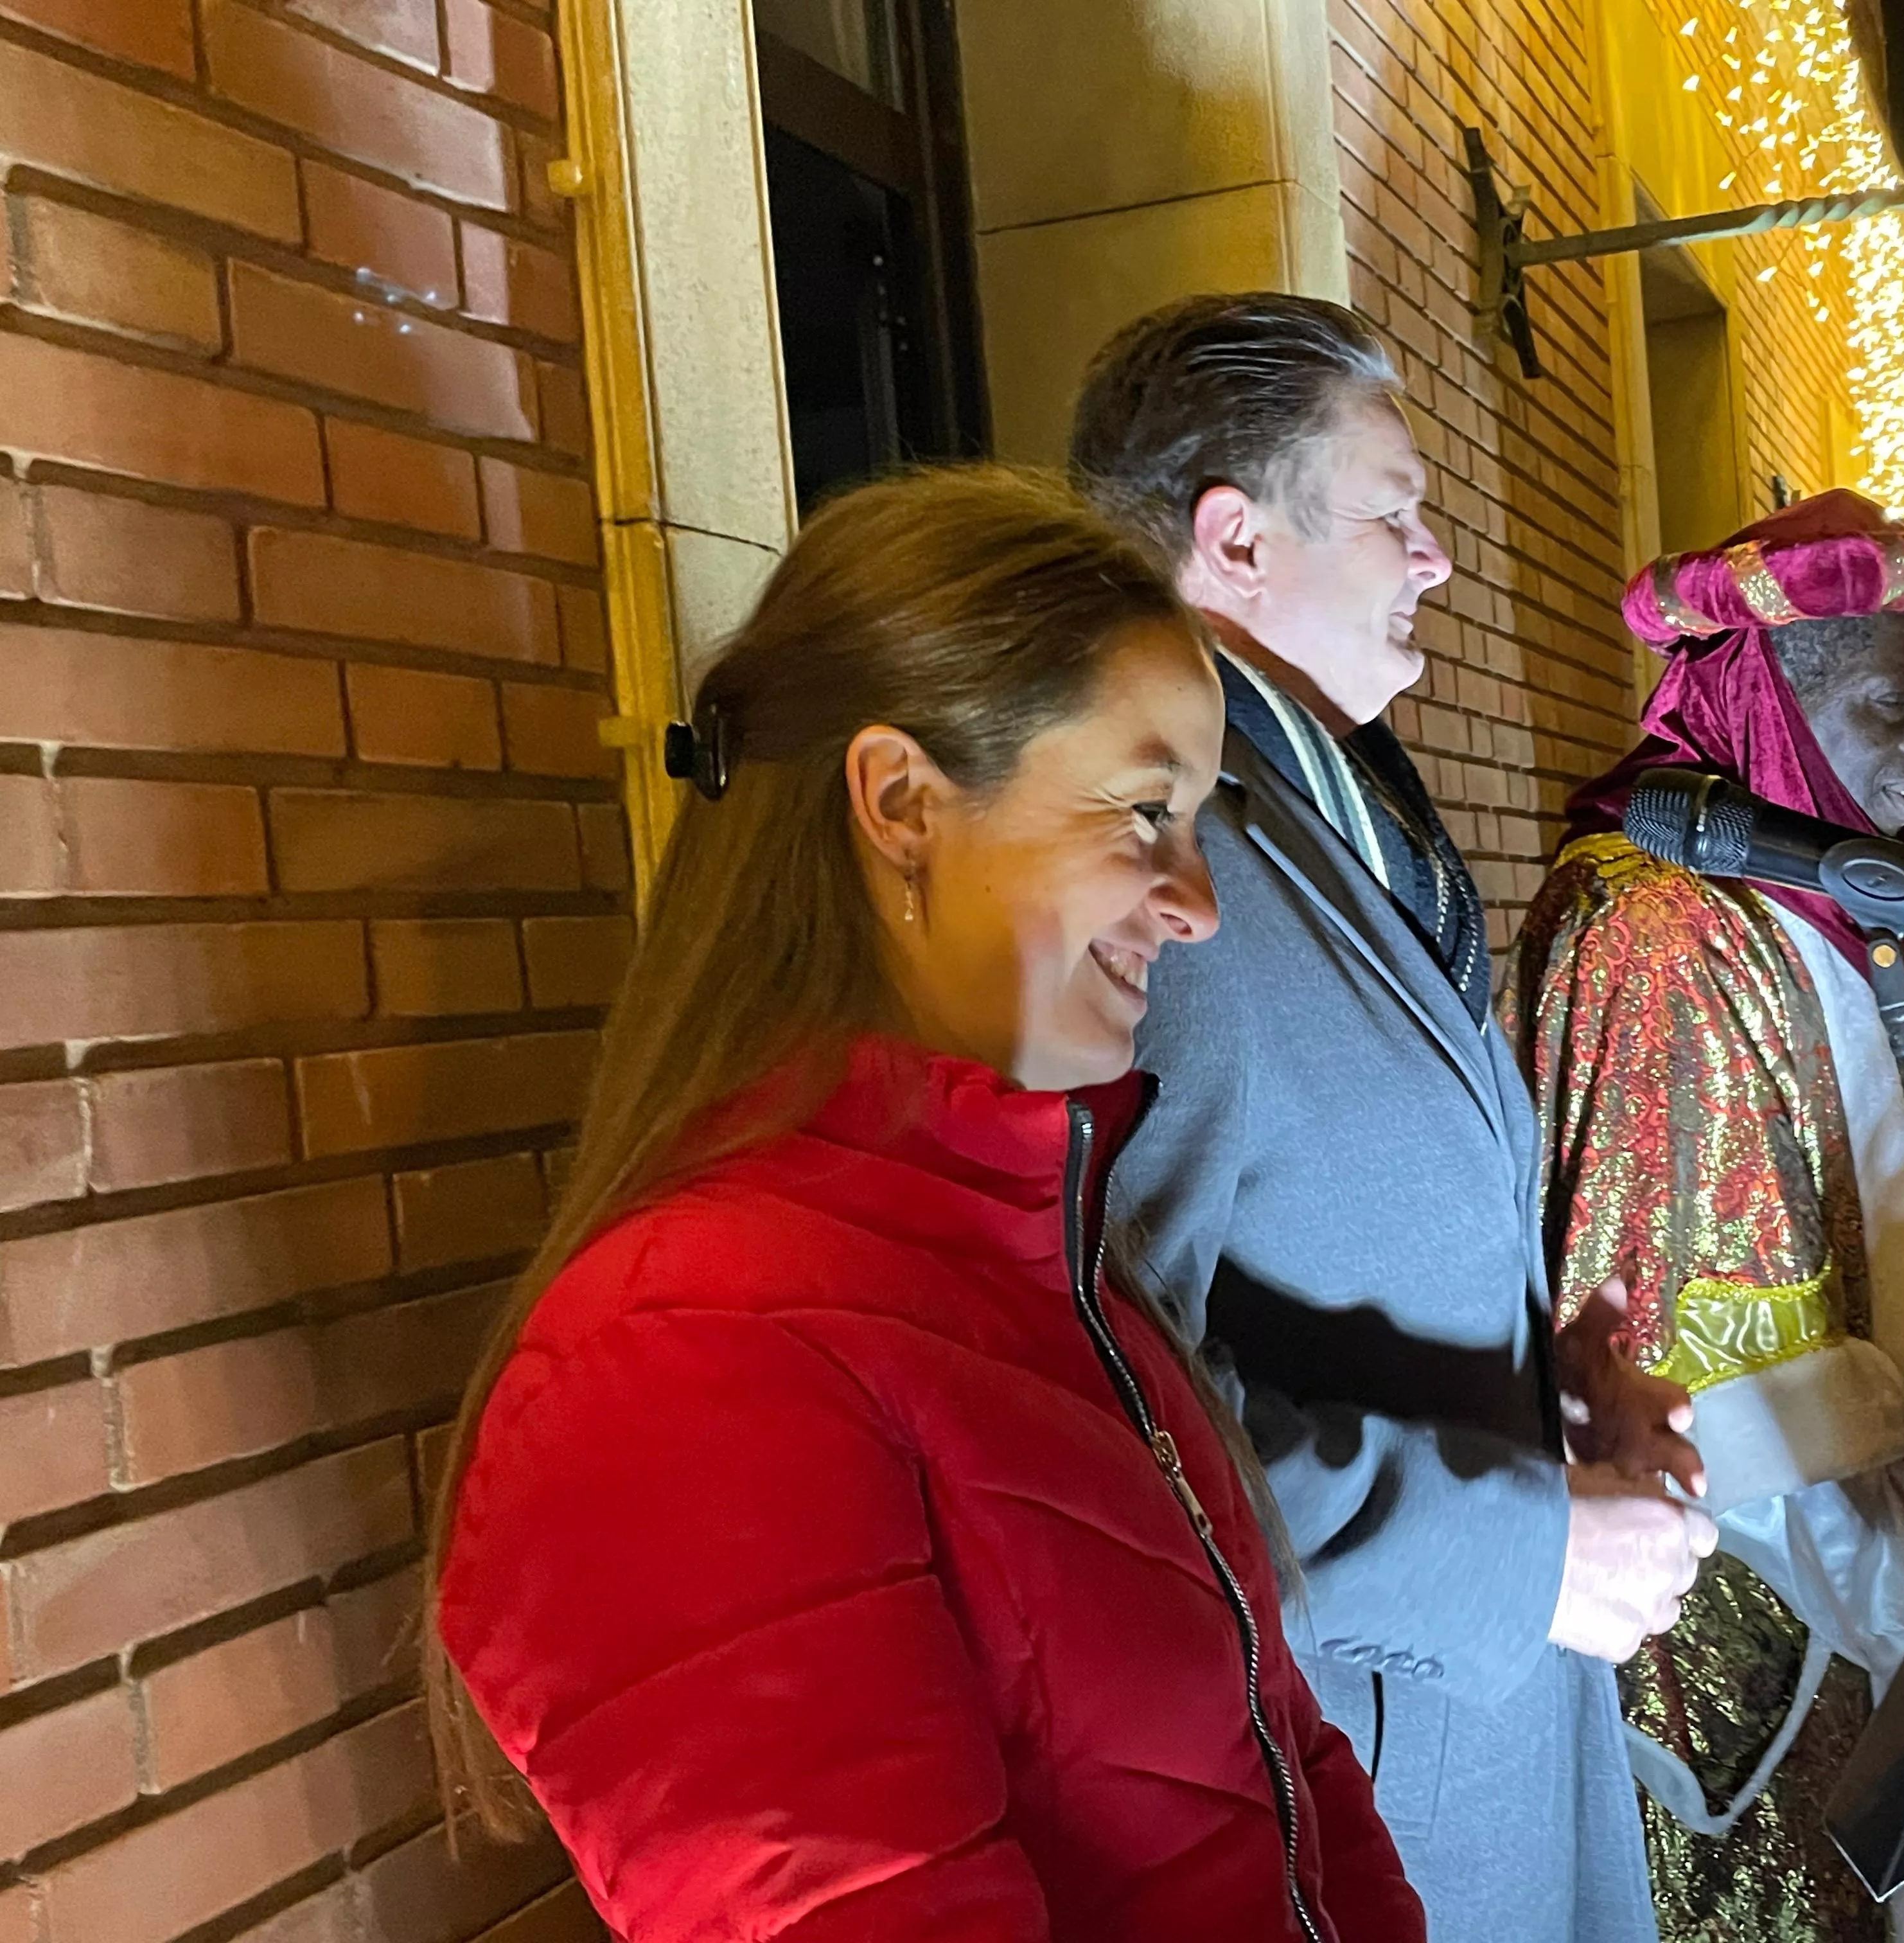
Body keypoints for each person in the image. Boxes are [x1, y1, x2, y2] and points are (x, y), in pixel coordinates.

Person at [426, 467, 1424, 1943]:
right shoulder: (687, 1359)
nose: (1197, 905)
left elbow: (1283, 1768)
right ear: (901, 804)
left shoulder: (1042, 1260)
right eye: (1145, 811)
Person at [1070, 292, 1714, 1943]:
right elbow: (1102, 1411)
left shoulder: (1335, 809)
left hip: (1480, 1749)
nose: (1435, 559)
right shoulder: (1158, 871)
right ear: (1236, 540)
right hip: (1363, 1791)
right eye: (1394, 513)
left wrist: (1546, 1383)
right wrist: (1519, 1556)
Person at [1510, 488, 1904, 1943]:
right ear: (1766, 706)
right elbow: (1714, 1379)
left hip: (1849, 1594)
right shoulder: (1663, 936)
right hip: (1724, 1640)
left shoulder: (1795, 917)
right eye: (1888, 706)